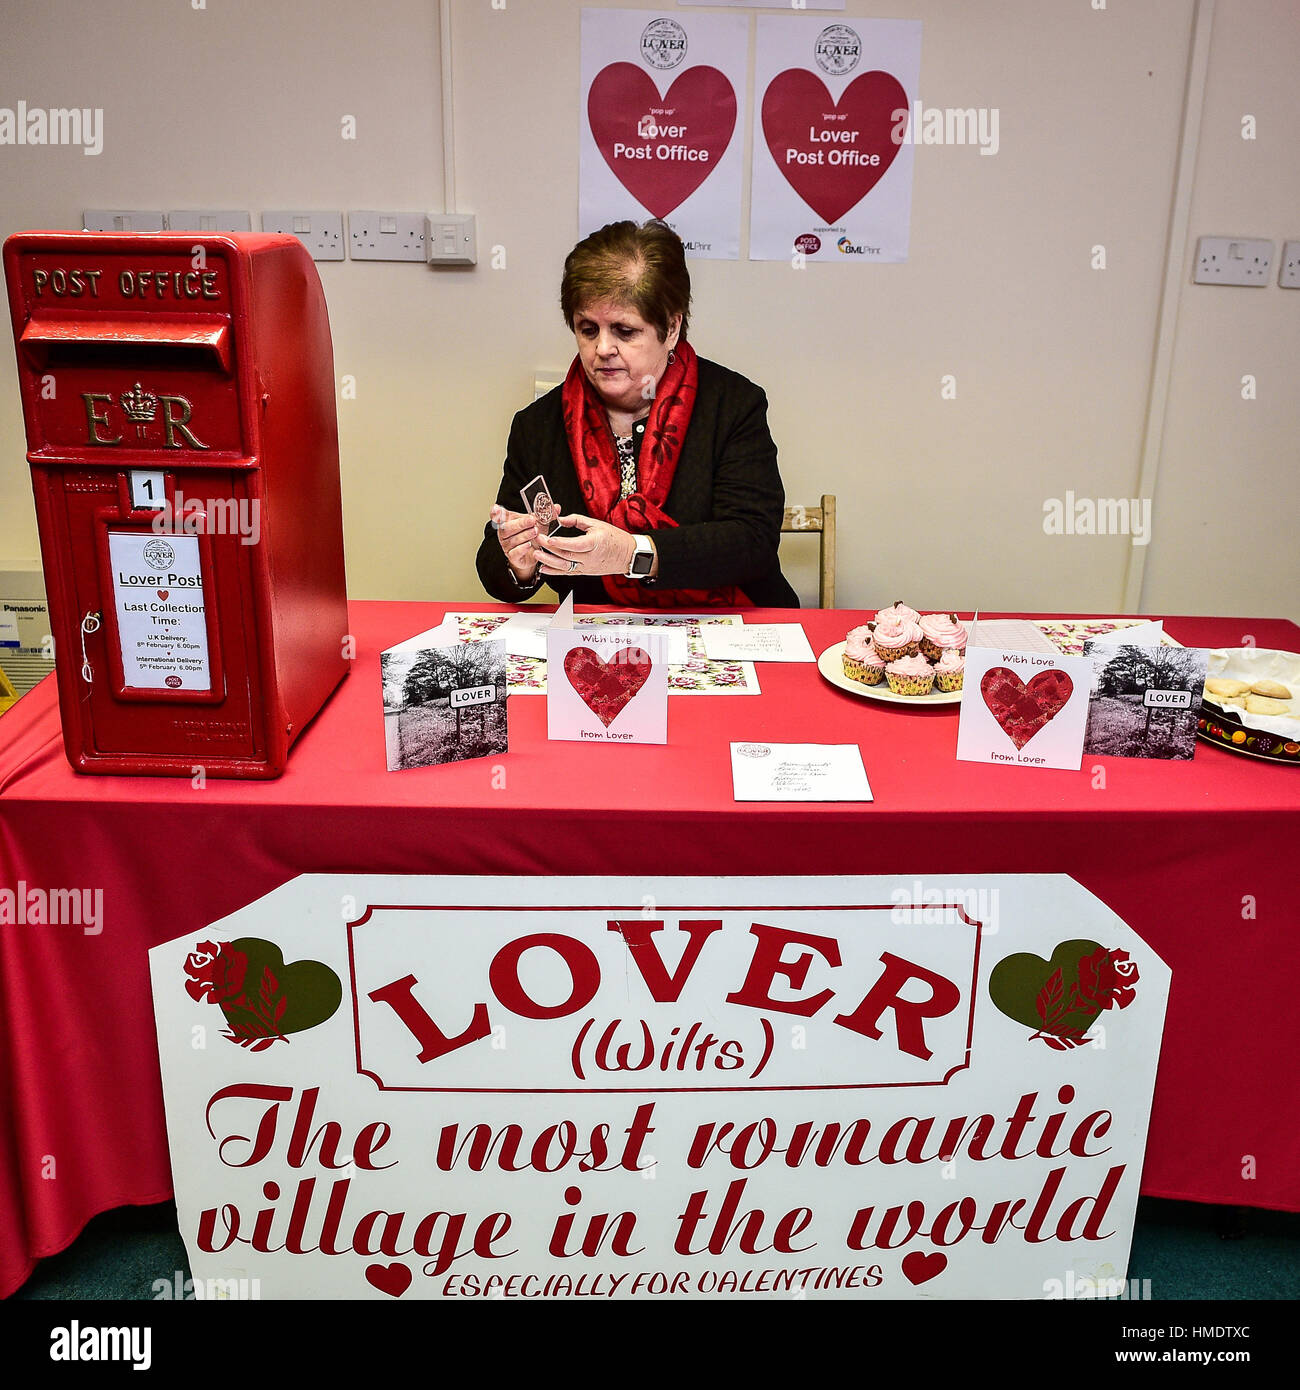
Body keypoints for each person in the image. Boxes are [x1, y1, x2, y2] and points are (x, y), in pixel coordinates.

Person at [476, 219, 799, 608]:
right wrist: (521, 563)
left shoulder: (732, 405)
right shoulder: (538, 425)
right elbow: (495, 562)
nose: (603, 348)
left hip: (727, 625)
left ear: (672, 326)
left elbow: (752, 541)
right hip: (598, 640)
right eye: (588, 329)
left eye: (625, 331)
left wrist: (632, 553)